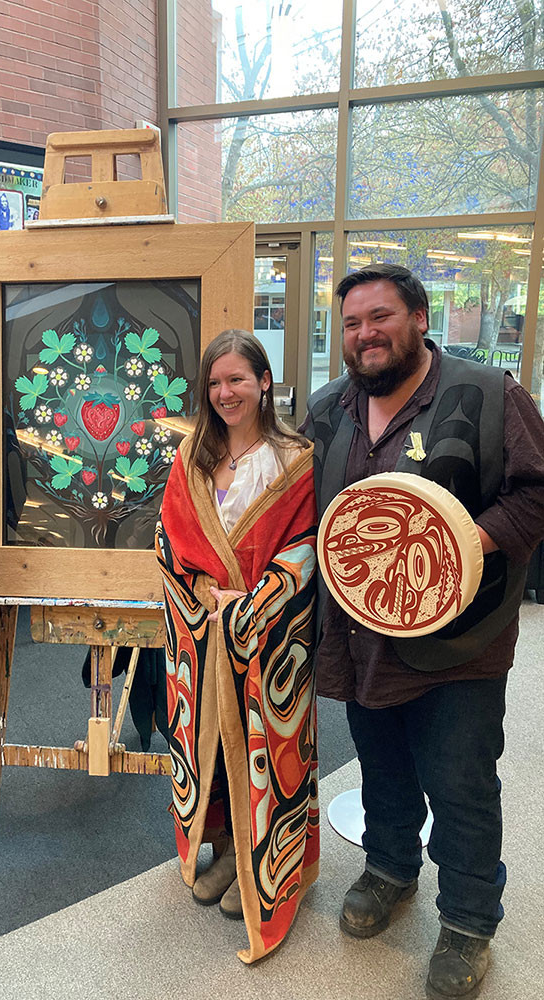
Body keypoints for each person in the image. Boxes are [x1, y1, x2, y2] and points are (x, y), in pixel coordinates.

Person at [302, 263, 544, 999]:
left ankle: (469, 922)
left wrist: (463, 542)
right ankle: (389, 869)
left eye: (380, 317)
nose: (365, 334)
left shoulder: (486, 393)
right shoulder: (326, 410)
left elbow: (536, 493)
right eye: (351, 323)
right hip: (360, 639)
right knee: (381, 767)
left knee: (461, 782)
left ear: (418, 317)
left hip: (460, 643)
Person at [156, 329, 319, 963]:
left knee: (263, 747)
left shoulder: (295, 459)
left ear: (264, 383)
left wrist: (257, 603)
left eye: (238, 380)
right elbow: (169, 543)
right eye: (216, 382)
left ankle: (268, 867)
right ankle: (226, 851)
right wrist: (200, 593)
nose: (226, 393)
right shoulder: (190, 459)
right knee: (214, 744)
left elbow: (305, 546)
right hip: (202, 628)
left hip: (268, 633)